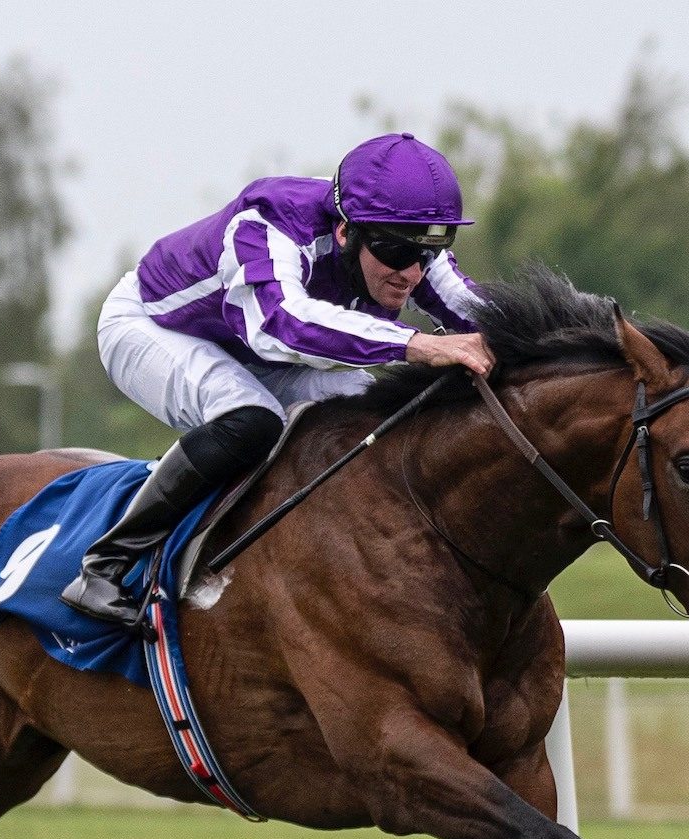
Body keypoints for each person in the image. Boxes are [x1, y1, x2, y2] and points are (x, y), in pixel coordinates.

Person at [62, 132, 495, 623]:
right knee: (252, 417)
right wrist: (417, 344)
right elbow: (283, 324)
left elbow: (477, 312)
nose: (411, 272)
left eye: (427, 254)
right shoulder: (269, 222)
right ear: (345, 232)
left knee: (377, 403)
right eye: (396, 253)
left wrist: (575, 333)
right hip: (153, 326)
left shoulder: (399, 240)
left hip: (256, 348)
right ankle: (105, 564)